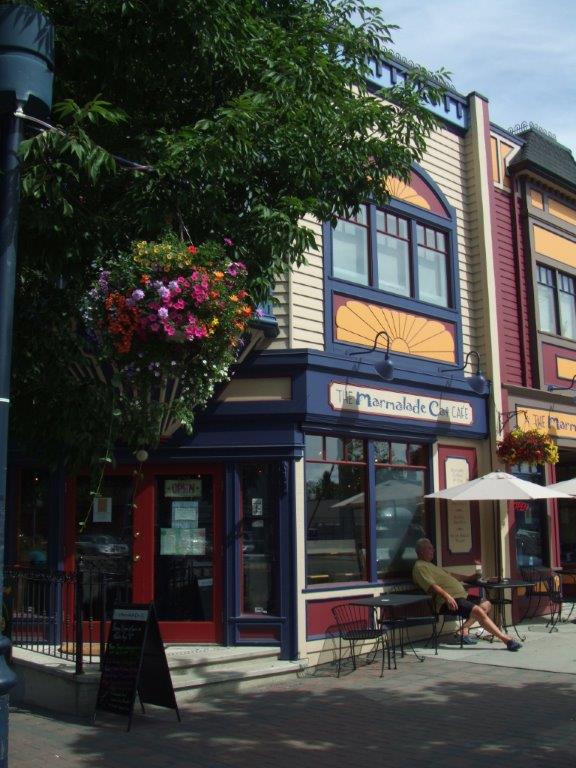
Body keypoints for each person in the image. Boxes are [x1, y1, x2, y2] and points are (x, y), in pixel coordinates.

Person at [412, 538, 521, 652]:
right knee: (478, 611)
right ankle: (507, 640)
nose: (433, 550)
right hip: (448, 601)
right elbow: (431, 586)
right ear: (421, 551)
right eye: (430, 548)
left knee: (486, 604)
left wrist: (471, 577)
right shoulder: (420, 567)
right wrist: (447, 596)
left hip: (460, 596)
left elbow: (453, 576)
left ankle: (463, 629)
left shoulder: (432, 565)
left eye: (432, 548)